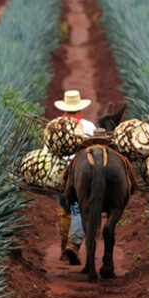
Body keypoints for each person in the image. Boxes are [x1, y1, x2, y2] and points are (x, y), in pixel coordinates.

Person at [52, 90, 96, 260]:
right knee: (79, 209)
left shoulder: (55, 125)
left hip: (62, 171)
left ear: (64, 110)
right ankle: (73, 244)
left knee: (64, 209)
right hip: (84, 172)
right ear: (80, 110)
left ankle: (65, 249)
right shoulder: (90, 126)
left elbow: (47, 151)